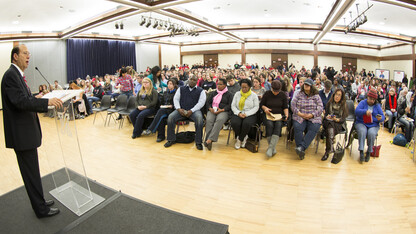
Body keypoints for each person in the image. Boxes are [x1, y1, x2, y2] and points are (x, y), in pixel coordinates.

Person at [1, 44, 63, 218]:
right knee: (31, 174)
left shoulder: (17, 75)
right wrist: (46, 103)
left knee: (33, 172)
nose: (28, 56)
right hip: (22, 136)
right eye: (25, 53)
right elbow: (20, 102)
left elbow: (25, 99)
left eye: (29, 53)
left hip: (26, 134)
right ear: (15, 56)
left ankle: (40, 201)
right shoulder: (11, 76)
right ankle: (41, 210)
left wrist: (38, 98)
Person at [164, 75, 206, 150]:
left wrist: (191, 110)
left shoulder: (201, 91)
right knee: (171, 117)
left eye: (194, 80)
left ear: (197, 81)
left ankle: (198, 142)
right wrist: (178, 109)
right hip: (181, 110)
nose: (192, 81)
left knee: (199, 119)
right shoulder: (181, 89)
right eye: (191, 79)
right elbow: (176, 99)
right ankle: (171, 139)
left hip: (194, 111)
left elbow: (201, 103)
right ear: (189, 80)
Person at [291, 78, 323, 159]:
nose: (306, 85)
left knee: (314, 127)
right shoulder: (298, 93)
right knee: (298, 127)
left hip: (312, 117)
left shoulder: (316, 95)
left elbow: (320, 107)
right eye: (305, 84)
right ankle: (301, 150)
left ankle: (301, 148)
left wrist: (312, 115)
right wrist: (299, 113)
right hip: (300, 115)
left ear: (311, 86)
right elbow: (293, 105)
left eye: (308, 85)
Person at [354, 88, 385, 163]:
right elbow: (356, 111)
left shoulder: (377, 105)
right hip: (362, 122)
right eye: (371, 99)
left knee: (371, 133)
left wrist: (380, 118)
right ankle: (361, 151)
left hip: (373, 125)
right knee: (362, 131)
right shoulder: (363, 103)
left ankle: (369, 151)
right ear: (367, 97)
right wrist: (365, 112)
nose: (372, 101)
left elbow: (383, 117)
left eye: (374, 100)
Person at [261, 80, 288, 157]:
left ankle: (270, 148)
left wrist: (286, 115)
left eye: (277, 91)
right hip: (268, 114)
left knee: (278, 125)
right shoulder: (267, 94)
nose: (276, 92)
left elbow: (285, 107)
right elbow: (262, 104)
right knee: (269, 124)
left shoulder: (282, 95)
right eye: (274, 91)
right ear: (271, 88)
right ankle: (272, 148)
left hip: (278, 115)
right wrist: (265, 109)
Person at [204, 78, 233, 150]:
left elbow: (230, 105)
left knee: (219, 120)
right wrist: (210, 108)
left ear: (225, 85)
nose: (218, 86)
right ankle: (209, 141)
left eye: (220, 84)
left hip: (223, 111)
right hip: (213, 110)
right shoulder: (214, 93)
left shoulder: (229, 94)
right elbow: (207, 102)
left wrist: (222, 110)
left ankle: (209, 140)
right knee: (209, 120)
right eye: (218, 84)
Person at [230, 79, 259, 149]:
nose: (243, 89)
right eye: (242, 87)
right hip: (238, 112)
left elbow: (256, 107)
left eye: (245, 87)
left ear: (249, 87)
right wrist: (238, 113)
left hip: (250, 113)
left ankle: (240, 139)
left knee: (246, 123)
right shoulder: (237, 94)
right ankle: (243, 136)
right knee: (234, 123)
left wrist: (246, 114)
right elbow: (233, 105)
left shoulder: (253, 95)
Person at [321, 88, 348, 161]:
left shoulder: (343, 106)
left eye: (339, 95)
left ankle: (328, 151)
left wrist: (336, 119)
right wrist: (328, 117)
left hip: (338, 124)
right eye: (336, 94)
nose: (337, 96)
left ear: (341, 97)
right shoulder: (329, 103)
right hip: (328, 122)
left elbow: (342, 120)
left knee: (330, 128)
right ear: (334, 95)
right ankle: (330, 148)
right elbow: (326, 115)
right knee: (329, 124)